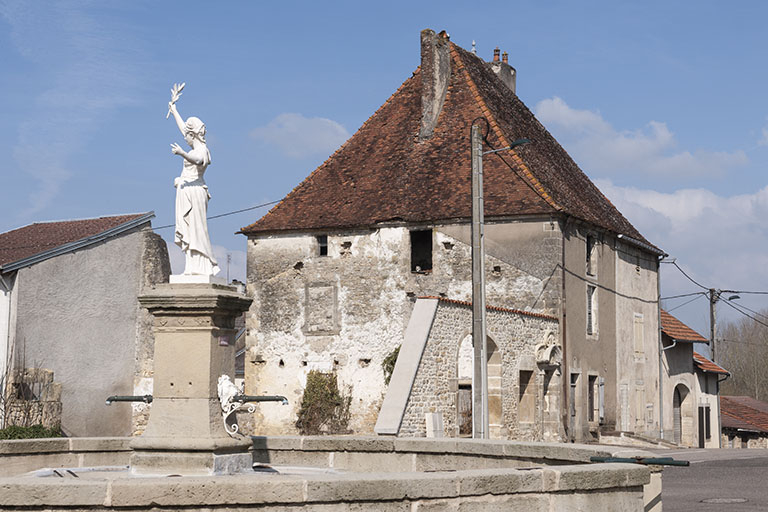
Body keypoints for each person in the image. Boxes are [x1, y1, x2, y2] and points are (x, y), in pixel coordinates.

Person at [168, 89, 219, 276]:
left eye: (187, 135)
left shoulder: (202, 150)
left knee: (197, 230)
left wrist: (182, 153)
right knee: (188, 231)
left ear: (193, 135)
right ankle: (191, 268)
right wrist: (174, 109)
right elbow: (183, 128)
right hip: (185, 191)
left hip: (195, 192)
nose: (184, 137)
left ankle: (204, 265)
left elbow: (197, 161)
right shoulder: (193, 143)